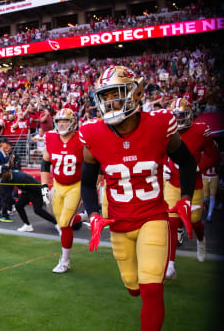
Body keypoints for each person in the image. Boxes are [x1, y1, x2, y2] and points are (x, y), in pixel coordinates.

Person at [80, 66, 197, 331]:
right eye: (104, 96)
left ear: (135, 93)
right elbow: (87, 184)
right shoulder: (93, 133)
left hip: (153, 217)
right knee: (133, 287)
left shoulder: (159, 124)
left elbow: (187, 162)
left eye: (115, 94)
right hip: (119, 223)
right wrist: (93, 213)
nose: (109, 102)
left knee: (152, 289)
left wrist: (187, 197)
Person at [163, 98, 218, 279]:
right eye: (175, 116)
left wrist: (198, 167)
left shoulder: (200, 131)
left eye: (182, 115)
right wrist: (163, 166)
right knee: (171, 222)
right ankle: (170, 265)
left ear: (190, 115)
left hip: (194, 184)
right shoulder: (166, 130)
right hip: (172, 183)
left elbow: (214, 156)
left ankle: (201, 240)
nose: (178, 120)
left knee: (194, 221)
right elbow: (160, 153)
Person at [40, 109, 88, 274]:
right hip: (58, 184)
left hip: (76, 185)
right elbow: (45, 162)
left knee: (65, 223)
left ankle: (65, 260)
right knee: (61, 221)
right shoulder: (51, 137)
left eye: (66, 121)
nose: (61, 124)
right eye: (59, 121)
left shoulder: (81, 138)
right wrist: (44, 185)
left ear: (73, 122)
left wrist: (91, 188)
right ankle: (82, 217)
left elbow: (93, 163)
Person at [0, 166, 57, 232]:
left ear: (8, 172)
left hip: (35, 191)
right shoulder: (7, 178)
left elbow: (35, 184)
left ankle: (56, 223)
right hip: (26, 192)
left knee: (38, 210)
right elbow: (6, 193)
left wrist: (44, 192)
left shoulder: (20, 177)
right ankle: (27, 225)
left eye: (2, 174)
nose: (1, 176)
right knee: (18, 206)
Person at [0, 138, 16, 222]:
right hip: (2, 177)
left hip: (7, 177)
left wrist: (11, 161)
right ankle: (4, 214)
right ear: (1, 144)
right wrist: (3, 166)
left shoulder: (6, 154)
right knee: (5, 196)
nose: (8, 145)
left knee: (3, 196)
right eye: (6, 143)